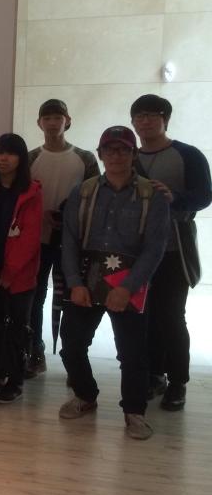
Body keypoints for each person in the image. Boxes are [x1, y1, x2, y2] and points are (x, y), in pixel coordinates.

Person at [59, 126, 169, 440]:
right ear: (100, 154)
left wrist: (127, 287)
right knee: (72, 344)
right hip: (87, 278)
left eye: (123, 149)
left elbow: (155, 248)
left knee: (133, 353)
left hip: (129, 282)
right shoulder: (83, 192)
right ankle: (85, 395)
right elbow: (69, 241)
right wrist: (75, 283)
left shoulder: (152, 195)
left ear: (133, 154)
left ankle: (134, 411)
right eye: (110, 149)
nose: (116, 155)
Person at [131, 94, 212, 411]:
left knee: (172, 316)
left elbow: (204, 195)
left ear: (165, 119)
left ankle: (178, 381)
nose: (145, 121)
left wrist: (175, 198)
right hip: (136, 252)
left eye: (152, 115)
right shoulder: (128, 157)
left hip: (174, 248)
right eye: (139, 116)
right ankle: (154, 374)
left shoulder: (187, 154)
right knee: (144, 315)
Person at [27, 99, 99, 378]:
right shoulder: (31, 158)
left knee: (72, 299)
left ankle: (74, 359)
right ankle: (35, 352)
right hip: (38, 240)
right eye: (47, 118)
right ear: (39, 123)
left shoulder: (85, 158)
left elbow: (95, 199)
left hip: (73, 243)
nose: (52, 122)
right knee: (35, 298)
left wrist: (71, 215)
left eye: (58, 117)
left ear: (67, 121)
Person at [0, 133, 42, 404]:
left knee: (17, 328)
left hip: (19, 277)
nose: (3, 158)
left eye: (10, 153)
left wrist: (8, 274)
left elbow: (30, 238)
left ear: (21, 158)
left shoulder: (31, 191)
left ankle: (15, 379)